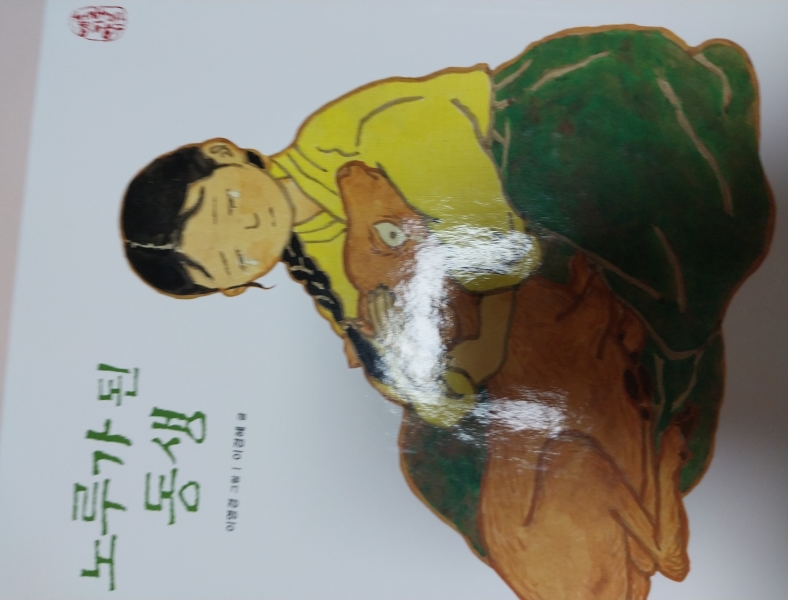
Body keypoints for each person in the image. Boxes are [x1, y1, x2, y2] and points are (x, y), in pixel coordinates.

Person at [122, 24, 772, 495]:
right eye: (232, 257)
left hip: (537, 129)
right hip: (518, 261)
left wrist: (478, 337)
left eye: (226, 204)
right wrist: (441, 385)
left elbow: (488, 234)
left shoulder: (335, 137)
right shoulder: (318, 263)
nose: (248, 229)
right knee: (457, 464)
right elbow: (405, 366)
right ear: (237, 285)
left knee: (656, 290)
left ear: (224, 154)